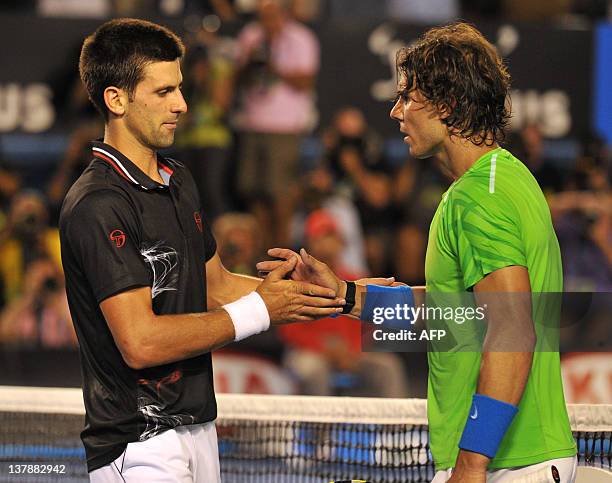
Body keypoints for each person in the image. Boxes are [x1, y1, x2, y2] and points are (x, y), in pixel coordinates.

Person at [259, 22, 577, 483]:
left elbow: (512, 332)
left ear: (446, 108)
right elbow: (458, 312)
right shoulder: (499, 181)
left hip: (506, 465)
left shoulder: (479, 199)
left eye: (407, 97)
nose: (395, 112)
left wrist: (471, 466)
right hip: (502, 461)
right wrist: (348, 296)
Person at [60, 18, 348, 482]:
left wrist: (339, 298)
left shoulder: (179, 181)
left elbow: (216, 286)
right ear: (116, 99)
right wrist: (261, 310)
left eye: (179, 88)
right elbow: (140, 341)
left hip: (199, 430)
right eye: (163, 92)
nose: (182, 104)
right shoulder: (98, 203)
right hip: (137, 447)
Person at [234, 0, 320, 245]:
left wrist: (275, 67)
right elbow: (237, 78)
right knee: (253, 193)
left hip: (284, 129)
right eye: (263, 16)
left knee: (281, 197)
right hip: (252, 125)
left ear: (283, 14)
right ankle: (260, 259)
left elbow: (306, 82)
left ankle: (281, 256)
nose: (267, 21)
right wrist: (249, 63)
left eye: (271, 15)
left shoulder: (301, 38)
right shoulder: (250, 35)